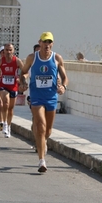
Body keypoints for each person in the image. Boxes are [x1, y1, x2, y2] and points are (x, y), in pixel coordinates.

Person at [20, 32, 68, 173]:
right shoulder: (32, 58)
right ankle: (42, 160)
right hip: (36, 97)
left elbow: (65, 77)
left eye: (49, 42)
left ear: (52, 44)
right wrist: (23, 82)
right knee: (40, 126)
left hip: (51, 97)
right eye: (44, 41)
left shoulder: (57, 58)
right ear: (39, 43)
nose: (47, 44)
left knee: (48, 131)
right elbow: (22, 73)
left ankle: (43, 142)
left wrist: (63, 87)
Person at [0, 43, 24, 138]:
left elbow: (25, 71)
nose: (8, 52)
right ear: (3, 51)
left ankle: (8, 126)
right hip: (3, 85)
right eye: (6, 50)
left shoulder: (17, 61)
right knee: (5, 102)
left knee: (11, 108)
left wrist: (21, 79)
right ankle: (4, 123)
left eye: (10, 50)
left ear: (13, 51)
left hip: (13, 86)